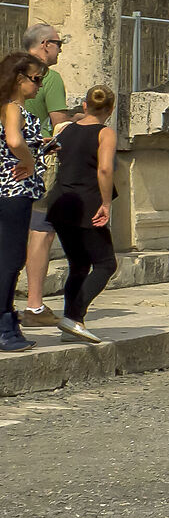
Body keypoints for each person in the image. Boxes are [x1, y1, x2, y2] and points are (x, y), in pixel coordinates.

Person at [41, 86, 120, 343]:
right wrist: (106, 204)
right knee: (106, 263)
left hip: (61, 202)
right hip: (87, 203)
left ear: (84, 105)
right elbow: (105, 169)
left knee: (78, 264)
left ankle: (73, 323)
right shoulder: (105, 133)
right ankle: (74, 316)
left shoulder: (66, 129)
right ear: (110, 109)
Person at [14, 24, 71, 332]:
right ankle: (34, 303)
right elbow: (59, 124)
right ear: (45, 45)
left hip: (7, 165)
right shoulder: (49, 78)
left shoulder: (10, 70)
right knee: (41, 232)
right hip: (37, 162)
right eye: (59, 44)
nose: (60, 49)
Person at [0, 53, 49, 352]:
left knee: (7, 258)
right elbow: (15, 142)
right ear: (20, 79)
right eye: (36, 79)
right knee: (11, 260)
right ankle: (5, 327)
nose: (39, 86)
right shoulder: (13, 107)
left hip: (5, 190)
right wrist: (29, 161)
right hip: (14, 190)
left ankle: (7, 322)